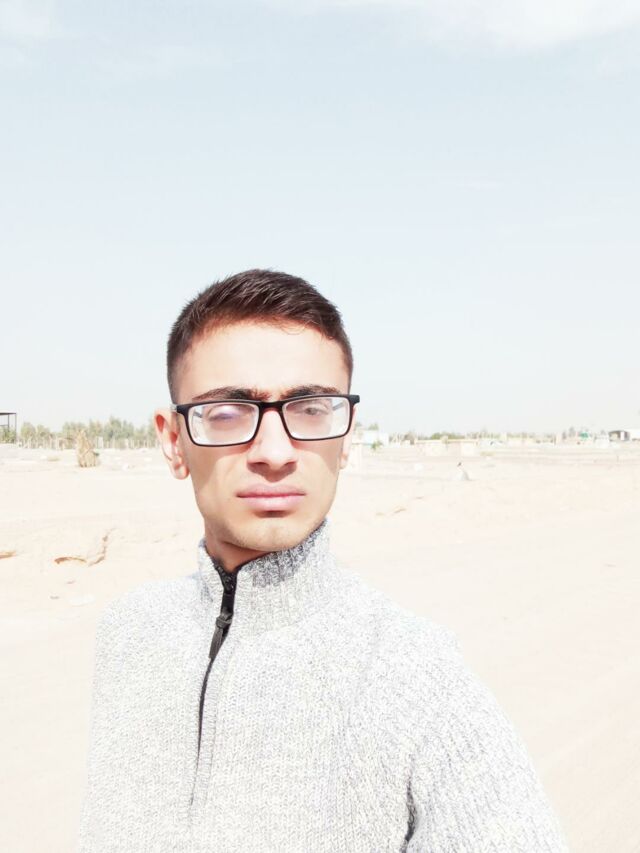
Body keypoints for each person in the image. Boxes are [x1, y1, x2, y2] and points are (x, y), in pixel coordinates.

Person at [78, 269, 568, 852]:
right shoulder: (129, 631)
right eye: (227, 412)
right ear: (173, 440)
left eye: (311, 409)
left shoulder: (415, 676)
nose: (275, 452)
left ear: (347, 434)